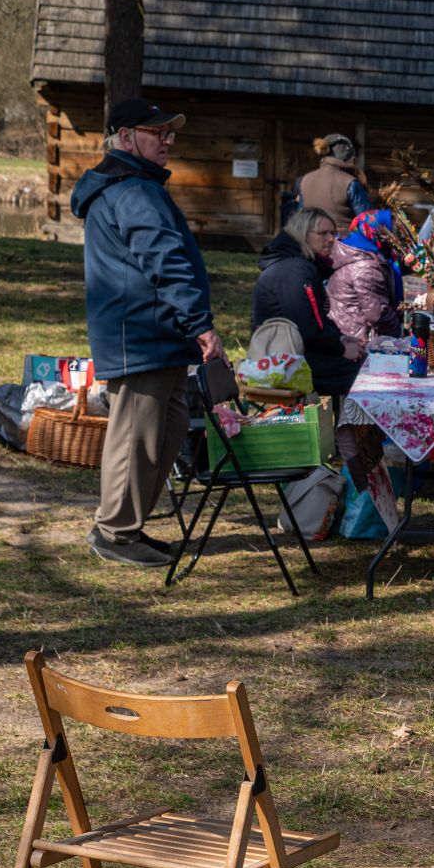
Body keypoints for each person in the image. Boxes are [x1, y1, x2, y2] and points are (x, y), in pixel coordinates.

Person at [70, 98, 225, 568]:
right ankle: (115, 534)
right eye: (157, 132)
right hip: (140, 333)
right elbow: (164, 260)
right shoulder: (132, 190)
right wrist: (200, 326)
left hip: (158, 334)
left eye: (169, 132)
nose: (168, 140)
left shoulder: (135, 186)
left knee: (166, 433)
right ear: (125, 137)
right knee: (137, 437)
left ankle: (127, 527)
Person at [252, 207, 362, 397]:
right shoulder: (295, 271)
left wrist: (342, 339)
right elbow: (308, 327)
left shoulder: (299, 266)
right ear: (303, 234)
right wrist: (342, 348)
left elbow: (316, 321)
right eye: (323, 233)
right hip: (284, 363)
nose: (331, 239)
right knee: (364, 376)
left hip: (295, 355)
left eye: (333, 233)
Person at [325, 209, 405, 342]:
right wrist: (399, 333)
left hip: (344, 328)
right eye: (390, 233)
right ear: (377, 233)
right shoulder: (366, 266)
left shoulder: (354, 249)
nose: (394, 239)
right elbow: (377, 313)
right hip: (357, 339)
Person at [296, 134, 370, 231]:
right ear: (349, 158)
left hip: (310, 238)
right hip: (343, 239)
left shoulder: (305, 180)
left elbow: (300, 219)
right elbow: (368, 222)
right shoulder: (350, 183)